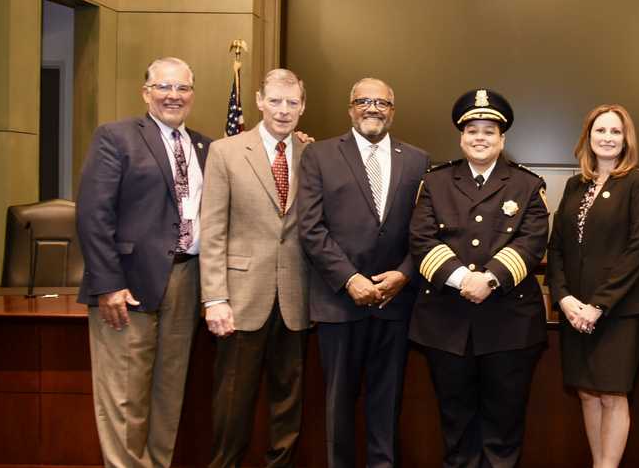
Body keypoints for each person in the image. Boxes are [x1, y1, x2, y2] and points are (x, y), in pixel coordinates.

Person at [76, 56, 211, 468]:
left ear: (192, 93)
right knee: (124, 395)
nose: (173, 96)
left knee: (168, 394)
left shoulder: (205, 146)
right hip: (128, 285)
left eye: (182, 88)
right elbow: (93, 214)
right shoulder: (116, 137)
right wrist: (107, 284)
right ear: (146, 92)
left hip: (187, 280)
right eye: (164, 87)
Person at [410, 88, 549, 468]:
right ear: (461, 136)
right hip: (447, 324)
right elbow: (421, 238)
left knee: (504, 427)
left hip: (509, 326)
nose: (480, 138)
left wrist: (488, 279)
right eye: (472, 130)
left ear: (502, 139)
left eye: (489, 131)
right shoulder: (435, 182)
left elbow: (533, 240)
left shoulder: (526, 184)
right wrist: (460, 279)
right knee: (456, 425)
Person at [296, 78, 429, 468]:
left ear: (393, 109)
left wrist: (403, 275)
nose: (373, 108)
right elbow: (311, 227)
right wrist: (349, 278)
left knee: (387, 402)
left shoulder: (418, 159)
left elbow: (425, 231)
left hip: (395, 301)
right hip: (339, 301)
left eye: (382, 102)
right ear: (350, 108)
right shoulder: (318, 155)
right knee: (338, 405)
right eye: (364, 101)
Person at [198, 68, 311, 468]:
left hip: (297, 298)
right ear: (260, 101)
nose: (283, 111)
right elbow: (212, 230)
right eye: (275, 101)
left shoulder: (312, 154)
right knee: (232, 403)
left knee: (289, 404)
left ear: (302, 106)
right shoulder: (225, 151)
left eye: (292, 103)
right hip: (241, 298)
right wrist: (215, 298)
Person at [546, 104, 639, 468]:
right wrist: (563, 300)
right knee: (587, 394)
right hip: (574, 311)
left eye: (615, 132)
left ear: (626, 140)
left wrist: (597, 305)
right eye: (600, 131)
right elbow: (556, 247)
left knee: (612, 395)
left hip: (618, 313)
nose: (607, 138)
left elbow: (638, 251)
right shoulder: (575, 185)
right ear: (588, 138)